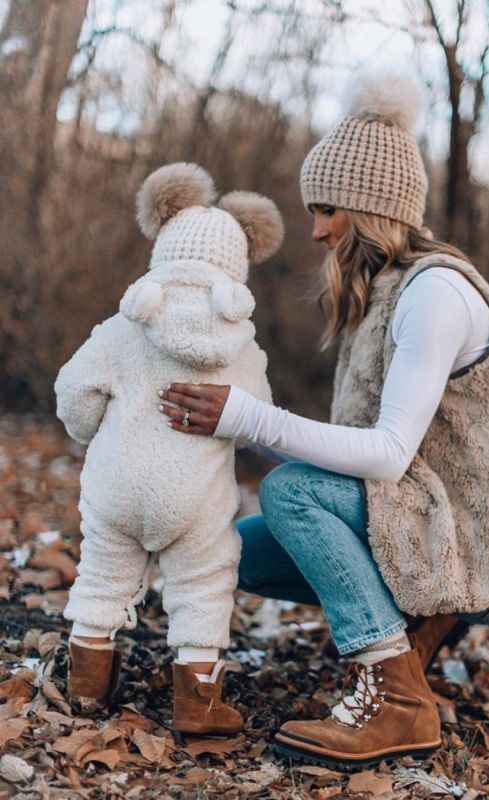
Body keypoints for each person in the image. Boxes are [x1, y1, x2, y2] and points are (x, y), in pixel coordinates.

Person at [158, 74, 489, 768]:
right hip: (427, 516)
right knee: (231, 550)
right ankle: (410, 630)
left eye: (326, 210)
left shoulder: (435, 293)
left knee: (292, 491)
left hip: (485, 542)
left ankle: (397, 695)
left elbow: (383, 456)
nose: (316, 229)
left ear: (368, 206)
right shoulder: (381, 294)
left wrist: (250, 419)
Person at [55, 162, 282, 734]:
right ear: (240, 258)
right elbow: (256, 419)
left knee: (103, 577)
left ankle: (86, 690)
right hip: (196, 499)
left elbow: (74, 391)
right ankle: (197, 705)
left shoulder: (121, 328)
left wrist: (90, 429)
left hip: (117, 485)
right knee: (204, 585)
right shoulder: (243, 345)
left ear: (164, 241)